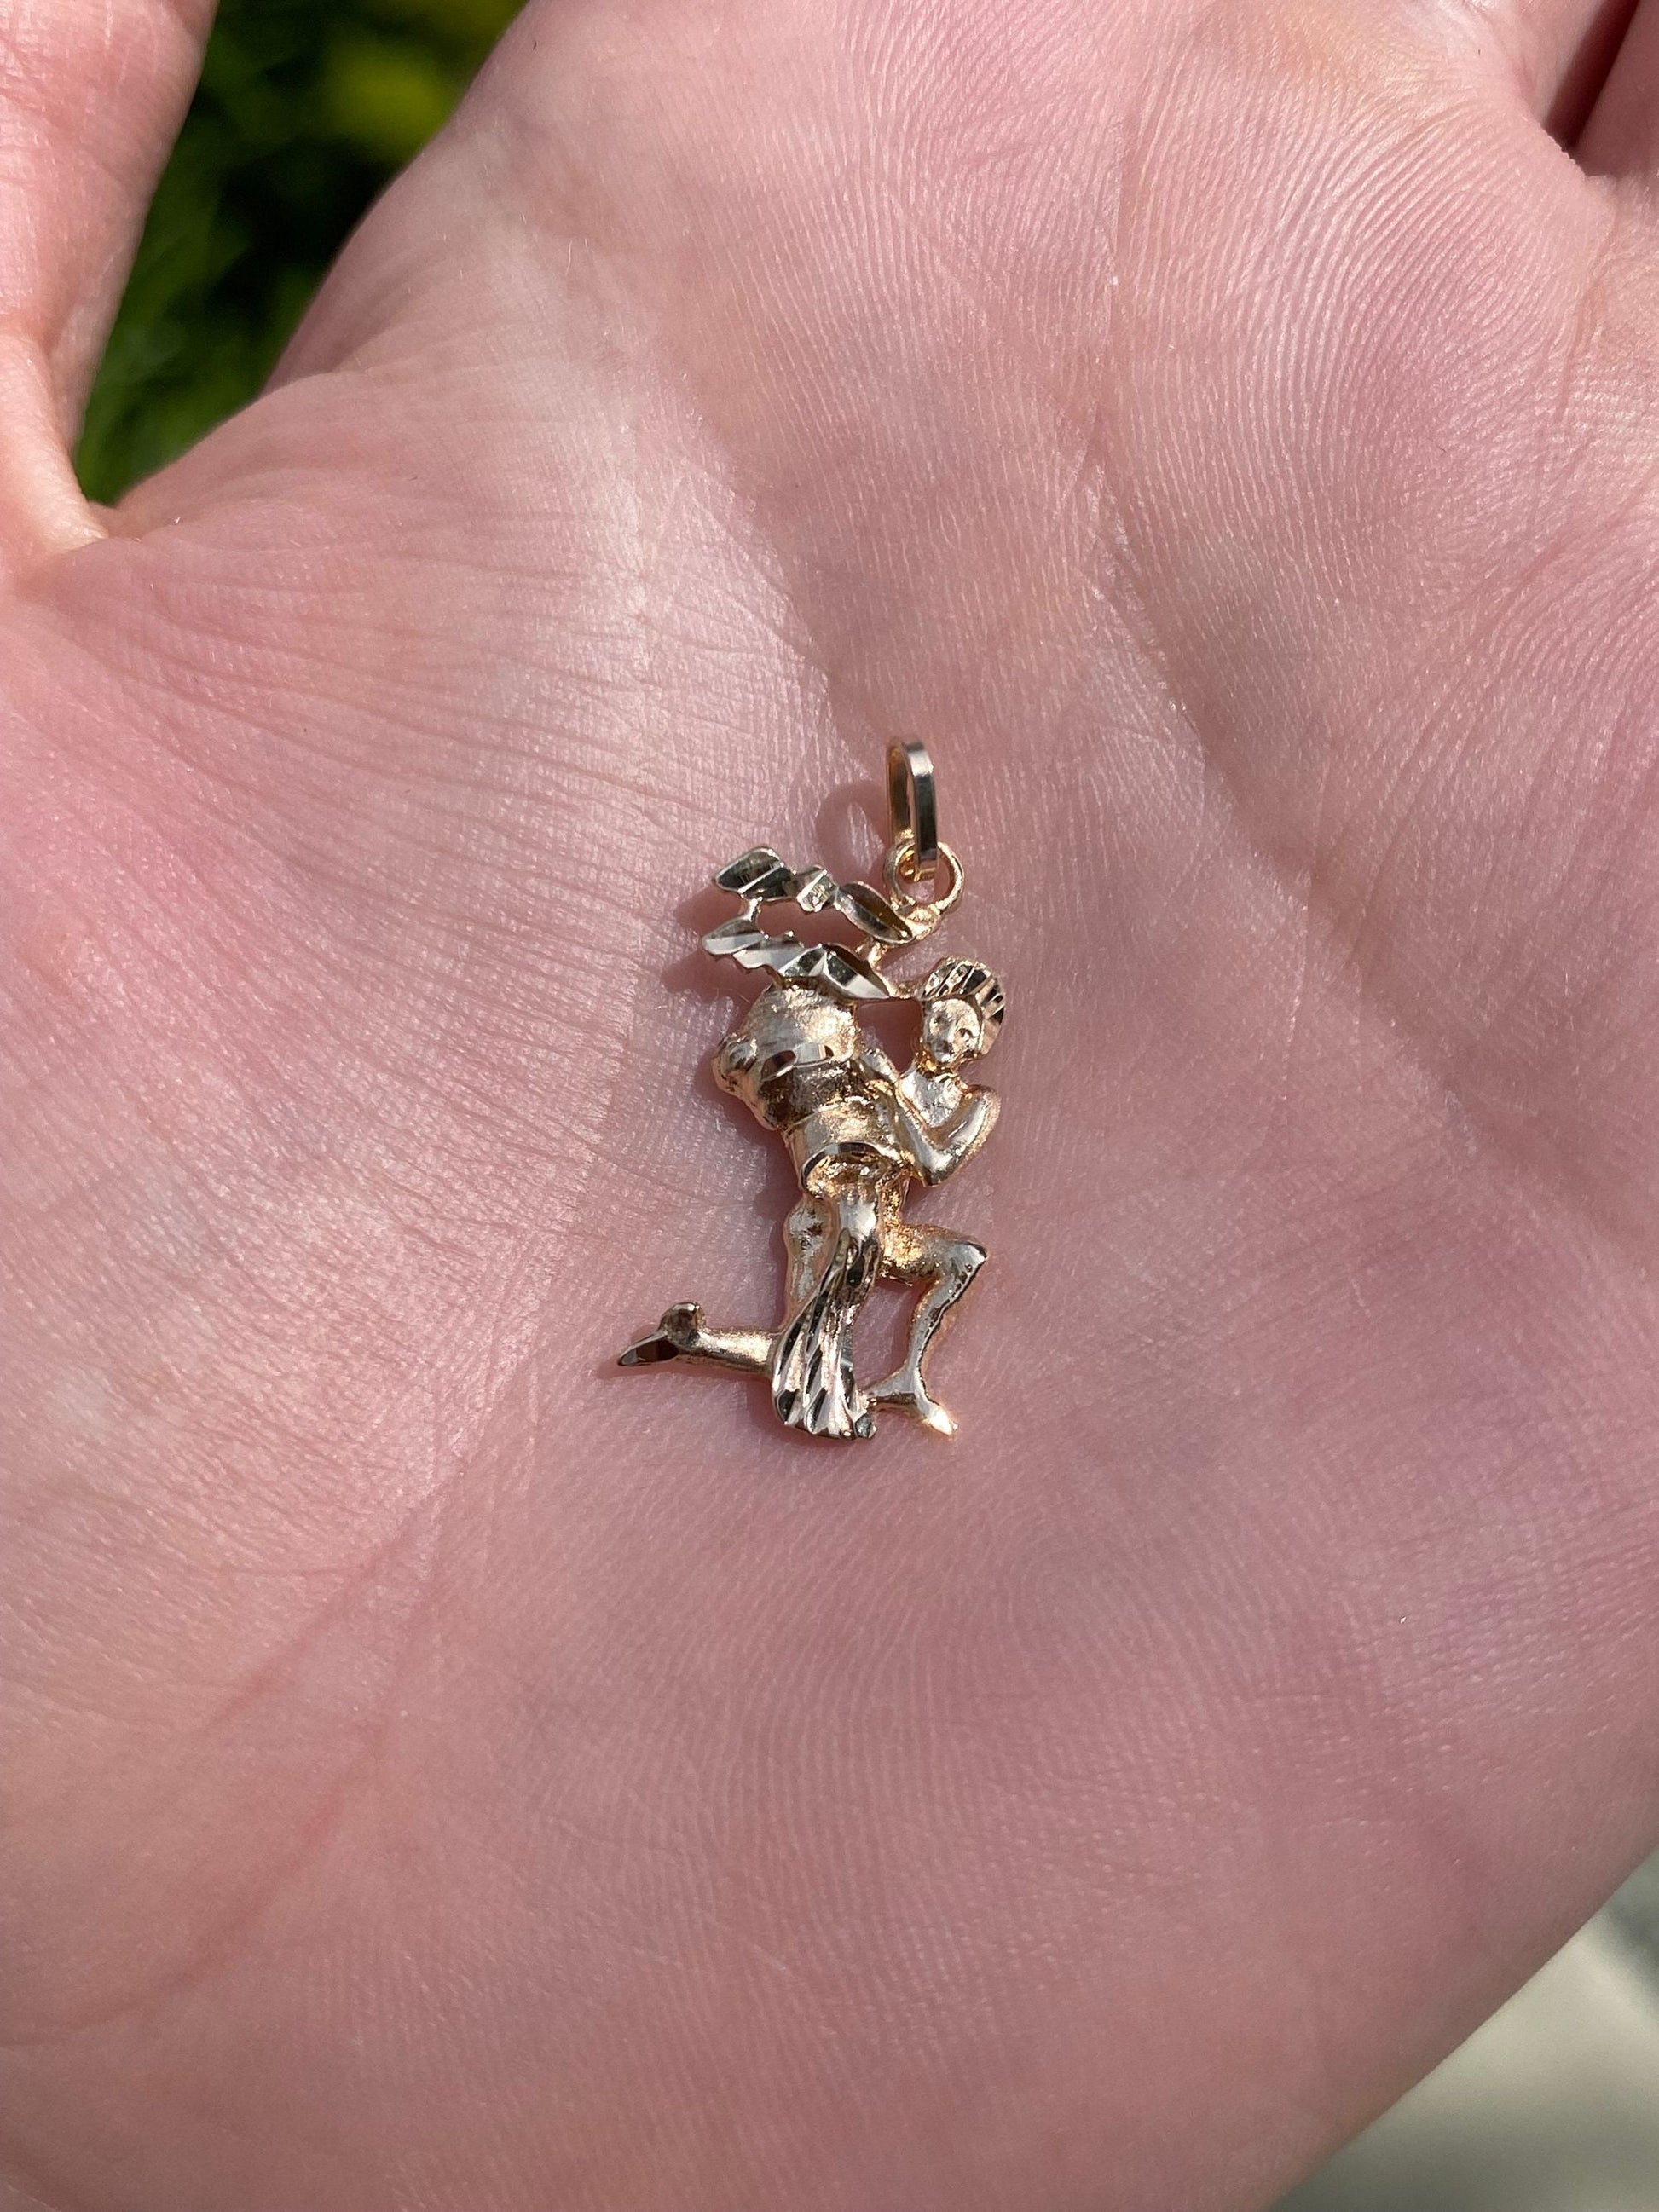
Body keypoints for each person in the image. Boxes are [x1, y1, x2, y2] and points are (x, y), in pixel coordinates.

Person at [11, 3, 1659, 2208]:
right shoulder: (801, 1023)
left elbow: (891, 1061)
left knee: (890, 1264)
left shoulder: (896, 1036)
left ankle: (814, 1355)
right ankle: (802, 1353)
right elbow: (764, 1048)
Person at [622, 956, 1004, 1436]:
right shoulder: (863, 1075)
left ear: (976, 1047)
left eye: (966, 1033)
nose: (949, 1038)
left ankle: (905, 1376)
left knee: (963, 1260)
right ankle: (695, 1343)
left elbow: (933, 1165)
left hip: (879, 1230)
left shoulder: (973, 1101)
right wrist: (747, 1066)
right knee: (812, 1345)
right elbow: (804, 1098)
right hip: (830, 1219)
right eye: (944, 1019)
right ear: (925, 1015)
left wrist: (889, 1093)